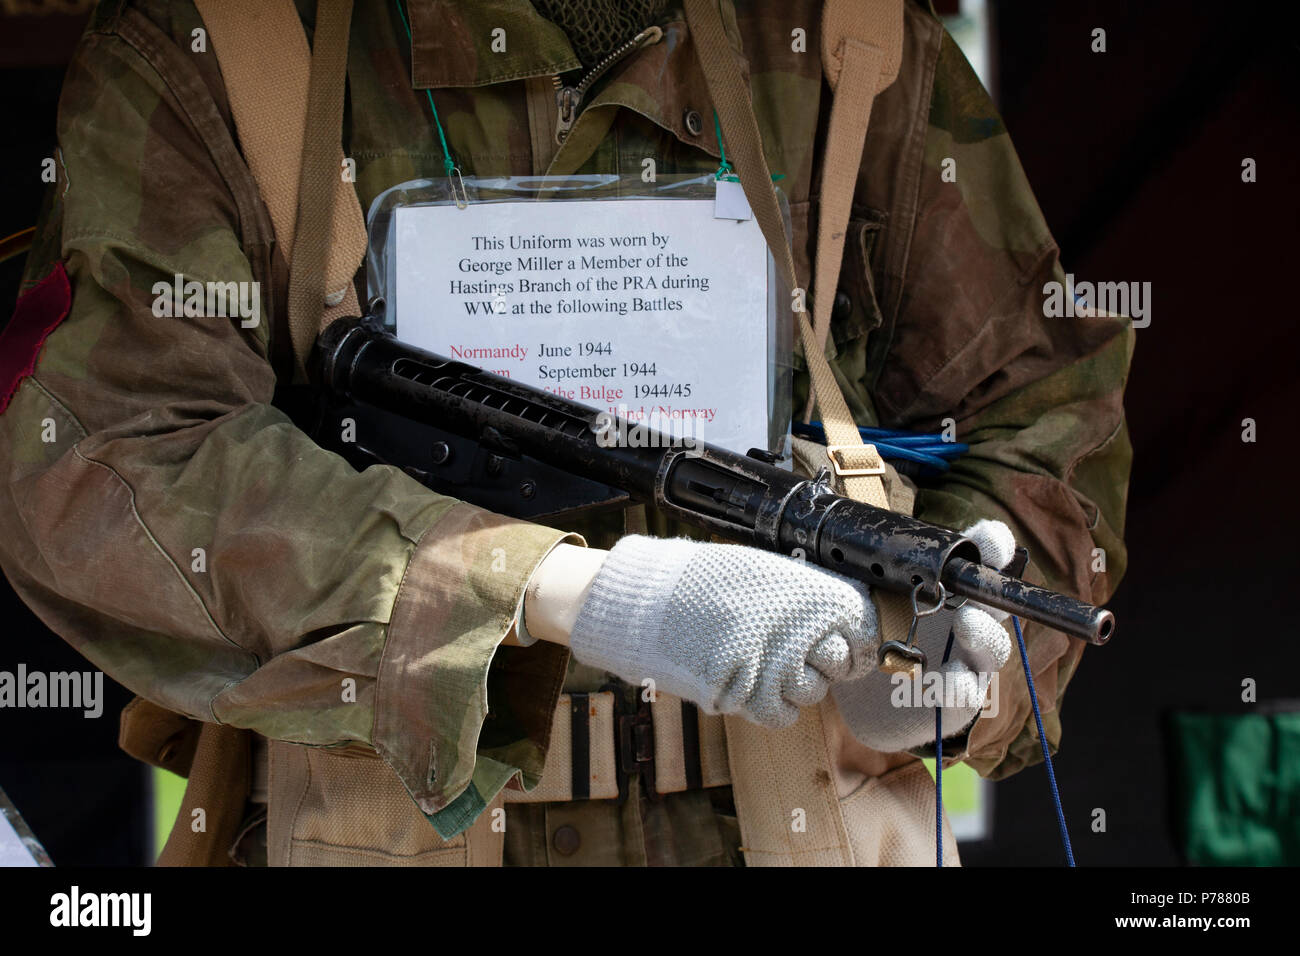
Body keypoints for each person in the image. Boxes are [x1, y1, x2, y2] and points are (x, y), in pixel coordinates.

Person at [0, 0, 1132, 866]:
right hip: (376, 829)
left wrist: (945, 657)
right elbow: (103, 455)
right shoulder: (224, 41)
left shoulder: (850, 38)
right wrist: (547, 590)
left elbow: (1036, 411)